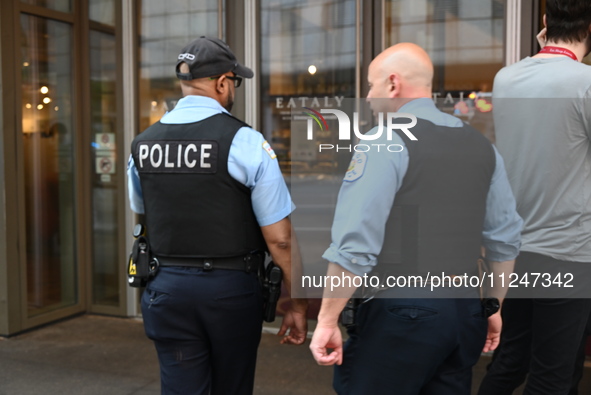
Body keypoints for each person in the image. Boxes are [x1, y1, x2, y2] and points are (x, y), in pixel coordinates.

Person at [308, 42, 522, 395]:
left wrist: (328, 318)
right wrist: (492, 305)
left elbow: (356, 244)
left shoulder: (385, 141)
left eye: (371, 85)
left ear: (393, 84)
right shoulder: (482, 147)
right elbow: (505, 239)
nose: (367, 96)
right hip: (463, 309)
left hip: (401, 312)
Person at [127, 36, 308, 395]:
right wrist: (298, 303)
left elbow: (145, 210)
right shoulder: (245, 141)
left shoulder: (142, 143)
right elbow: (280, 239)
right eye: (234, 82)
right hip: (228, 292)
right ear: (223, 82)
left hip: (166, 289)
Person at [478, 1, 591, 394]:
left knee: (511, 360)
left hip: (515, 251)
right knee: (554, 376)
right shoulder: (585, 83)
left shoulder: (506, 78)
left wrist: (547, 49)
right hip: (569, 252)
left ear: (544, 22)